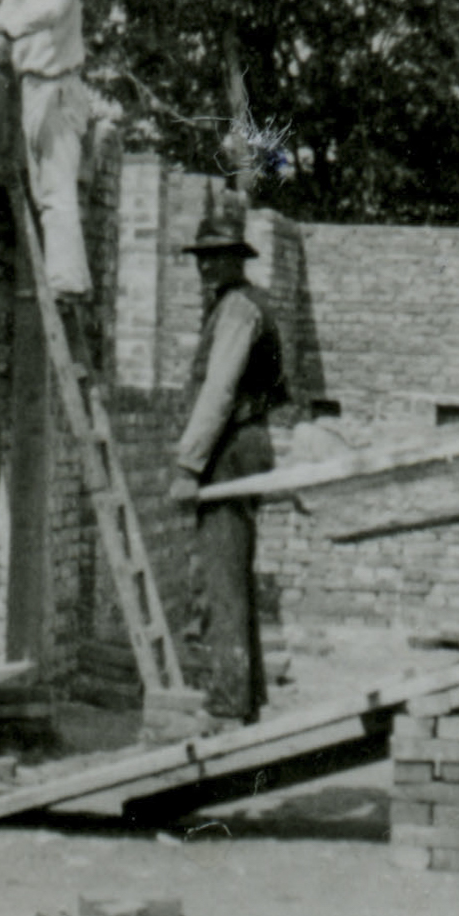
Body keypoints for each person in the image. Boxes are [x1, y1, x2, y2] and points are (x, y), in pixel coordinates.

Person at [168, 202, 288, 725]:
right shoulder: (232, 304)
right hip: (240, 444)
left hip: (233, 448)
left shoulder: (238, 309)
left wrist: (188, 466)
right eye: (201, 256)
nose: (206, 265)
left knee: (222, 574)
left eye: (216, 256)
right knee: (230, 570)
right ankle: (246, 697)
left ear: (237, 258)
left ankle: (228, 702)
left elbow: (218, 392)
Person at [0, 0, 96, 300]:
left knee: (58, 187)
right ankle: (64, 275)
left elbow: (48, 14)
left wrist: (5, 30)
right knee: (43, 191)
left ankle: (68, 281)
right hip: (31, 91)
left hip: (59, 89)